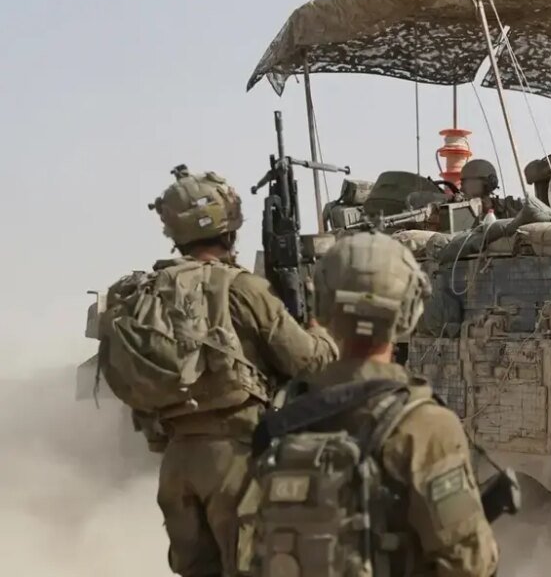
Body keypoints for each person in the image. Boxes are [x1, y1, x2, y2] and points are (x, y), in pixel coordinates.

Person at [97, 165, 338, 577]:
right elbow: (310, 363)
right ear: (228, 225)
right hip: (234, 459)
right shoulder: (242, 288)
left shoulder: (148, 292)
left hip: (177, 463)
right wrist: (322, 330)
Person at [243, 231, 499, 577]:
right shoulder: (425, 426)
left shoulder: (278, 424)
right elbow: (469, 563)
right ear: (408, 313)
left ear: (323, 308)